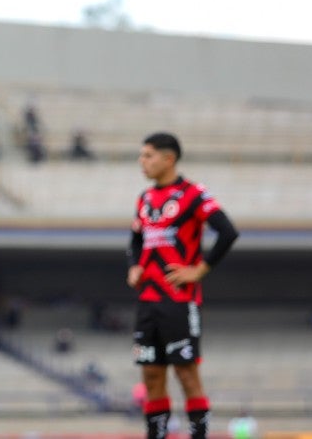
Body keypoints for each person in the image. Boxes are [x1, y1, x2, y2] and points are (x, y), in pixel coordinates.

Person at [126, 132, 239, 439]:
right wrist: (135, 265)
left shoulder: (194, 194)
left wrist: (199, 270)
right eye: (141, 155)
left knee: (187, 374)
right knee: (151, 375)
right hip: (148, 301)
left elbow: (228, 232)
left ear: (169, 158)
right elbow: (136, 239)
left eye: (148, 155)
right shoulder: (145, 199)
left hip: (179, 300)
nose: (142, 162)